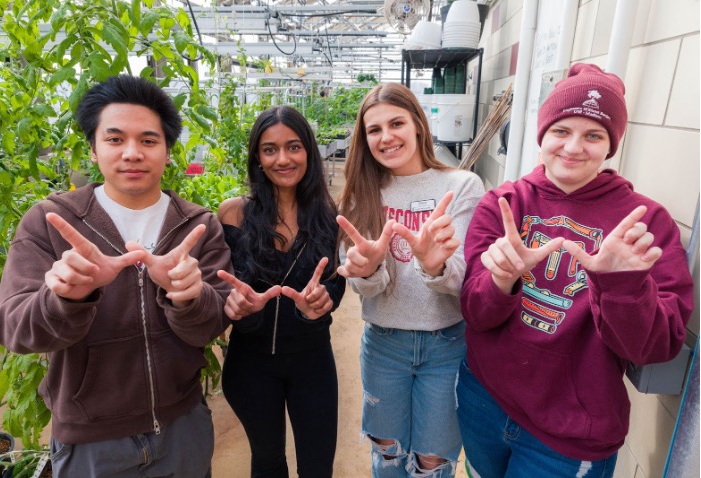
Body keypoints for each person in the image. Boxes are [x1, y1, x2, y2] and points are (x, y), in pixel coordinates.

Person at [457, 63, 694, 477]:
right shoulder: (505, 203)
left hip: (569, 434)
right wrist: (500, 279)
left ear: (610, 146)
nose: (573, 147)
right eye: (562, 131)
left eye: (593, 135)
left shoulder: (644, 223)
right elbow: (476, 314)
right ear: (542, 135)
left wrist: (622, 286)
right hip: (485, 399)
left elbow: (655, 348)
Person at [0, 75, 234, 478]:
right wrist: (65, 300)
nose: (132, 153)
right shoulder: (52, 222)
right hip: (91, 439)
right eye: (115, 139)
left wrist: (187, 297)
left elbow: (210, 327)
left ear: (168, 151)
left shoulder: (197, 224)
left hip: (183, 424)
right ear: (92, 148)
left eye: (148, 140)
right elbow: (13, 330)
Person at [336, 83, 484, 477]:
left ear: (418, 124)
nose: (386, 137)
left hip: (447, 347)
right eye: (374, 130)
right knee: (388, 456)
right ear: (364, 140)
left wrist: (435, 266)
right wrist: (368, 271)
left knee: (433, 463)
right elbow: (360, 281)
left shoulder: (461, 186)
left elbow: (467, 281)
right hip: (384, 347)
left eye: (396, 123)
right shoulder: (361, 193)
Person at [216, 105, 346, 477]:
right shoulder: (233, 214)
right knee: (267, 461)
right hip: (251, 363)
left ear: (309, 151)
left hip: (312, 362)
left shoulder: (331, 217)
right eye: (270, 149)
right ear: (257, 156)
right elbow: (220, 282)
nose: (283, 159)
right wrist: (235, 304)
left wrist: (320, 304)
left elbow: (337, 285)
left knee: (317, 466)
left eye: (293, 147)